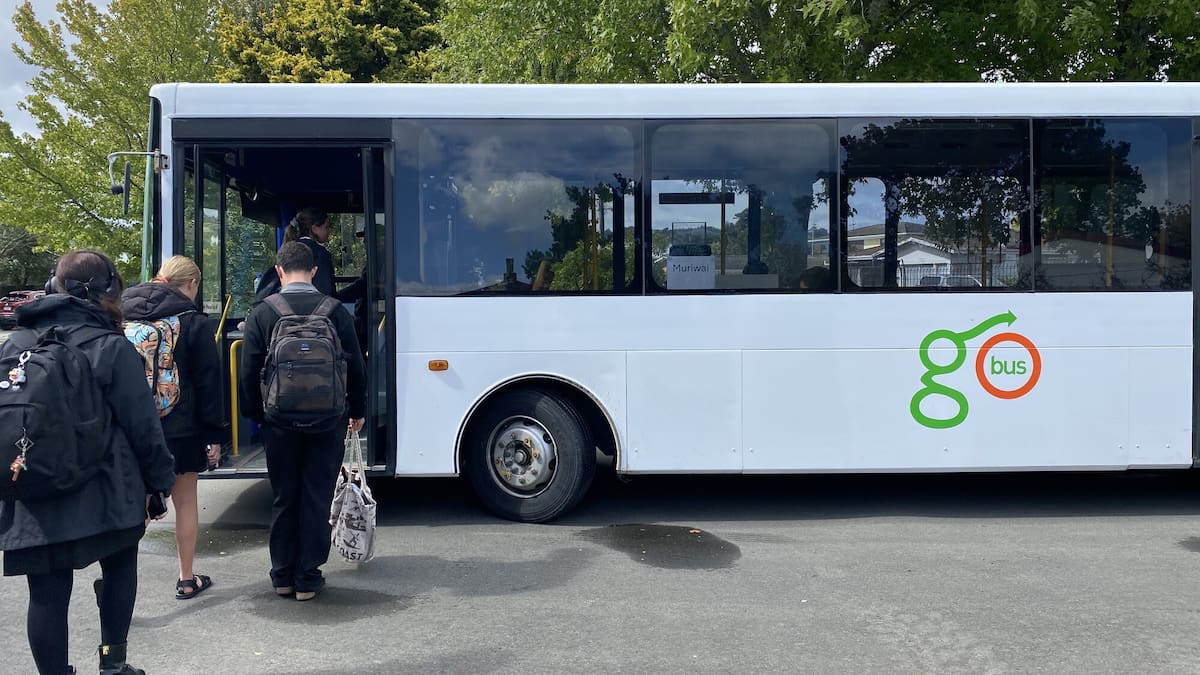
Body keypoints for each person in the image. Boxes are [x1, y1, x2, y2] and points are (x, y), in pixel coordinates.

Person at [0, 250, 176, 675]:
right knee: (119, 570)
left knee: (45, 595)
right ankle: (112, 665)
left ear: (52, 287)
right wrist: (158, 484)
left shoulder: (17, 343)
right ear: (111, 289)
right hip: (108, 489)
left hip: (33, 488)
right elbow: (142, 427)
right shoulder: (112, 346)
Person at [239, 241, 366, 601]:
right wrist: (357, 410)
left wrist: (256, 415)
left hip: (278, 421)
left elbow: (248, 371)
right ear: (313, 271)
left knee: (284, 496)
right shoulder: (335, 311)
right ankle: (308, 578)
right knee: (315, 496)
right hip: (327, 420)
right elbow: (356, 366)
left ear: (279, 271)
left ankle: (282, 575)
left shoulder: (264, 312)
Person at [121, 255, 229, 601]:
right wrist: (215, 436)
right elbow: (209, 383)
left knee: (139, 505)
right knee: (185, 503)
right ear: (192, 284)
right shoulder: (194, 322)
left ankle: (118, 584)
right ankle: (186, 578)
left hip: (137, 427)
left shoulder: (125, 312)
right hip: (182, 428)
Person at [253, 206, 337, 304]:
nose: (329, 231)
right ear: (314, 228)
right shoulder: (321, 254)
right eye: (326, 227)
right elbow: (326, 291)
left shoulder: (287, 250)